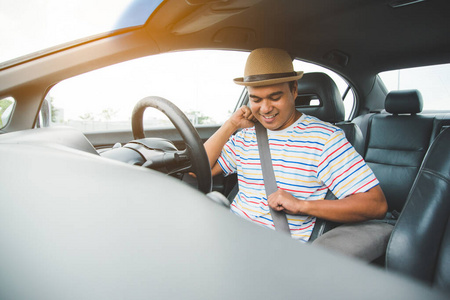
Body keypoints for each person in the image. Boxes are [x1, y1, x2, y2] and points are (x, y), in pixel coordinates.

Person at [204, 48, 387, 242]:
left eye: (275, 97)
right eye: (256, 99)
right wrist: (230, 125)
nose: (265, 109)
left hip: (276, 249)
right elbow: (199, 171)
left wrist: (301, 205)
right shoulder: (246, 136)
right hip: (229, 236)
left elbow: (375, 204)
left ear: (294, 90)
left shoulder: (325, 139)